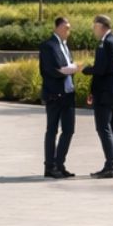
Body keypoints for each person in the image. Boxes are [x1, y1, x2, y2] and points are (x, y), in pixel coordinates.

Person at [84, 14, 113, 178]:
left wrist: (86, 69)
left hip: (105, 93)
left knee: (104, 127)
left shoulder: (105, 43)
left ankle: (110, 165)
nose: (93, 30)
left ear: (101, 26)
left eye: (94, 27)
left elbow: (102, 69)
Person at [37, 15, 81, 178]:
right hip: (55, 94)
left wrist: (72, 69)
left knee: (69, 130)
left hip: (68, 94)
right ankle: (50, 166)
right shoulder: (48, 46)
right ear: (56, 28)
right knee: (52, 130)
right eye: (65, 27)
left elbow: (66, 65)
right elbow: (48, 70)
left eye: (69, 28)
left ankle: (59, 163)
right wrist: (63, 71)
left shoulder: (65, 46)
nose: (68, 31)